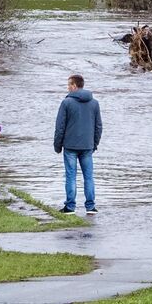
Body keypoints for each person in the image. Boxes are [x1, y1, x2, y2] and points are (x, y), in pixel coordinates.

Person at [54, 74, 102, 215]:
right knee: (88, 177)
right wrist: (94, 144)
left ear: (74, 86)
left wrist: (57, 145)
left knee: (71, 176)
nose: (68, 88)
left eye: (69, 85)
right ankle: (91, 206)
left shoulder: (66, 103)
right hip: (87, 146)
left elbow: (60, 127)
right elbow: (98, 126)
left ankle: (70, 207)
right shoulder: (94, 103)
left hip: (70, 146)